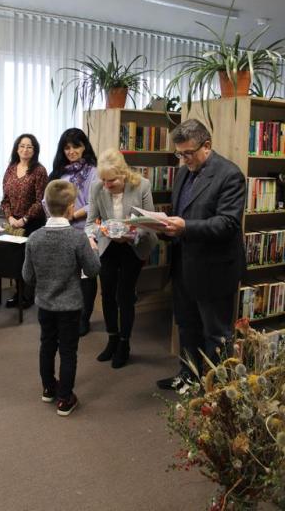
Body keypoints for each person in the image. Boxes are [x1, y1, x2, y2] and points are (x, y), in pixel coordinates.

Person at [154, 119, 246, 390]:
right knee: (186, 325)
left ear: (207, 145)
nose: (184, 160)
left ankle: (217, 392)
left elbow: (227, 224)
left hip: (214, 269)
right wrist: (162, 226)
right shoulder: (184, 172)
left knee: (216, 334)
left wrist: (185, 227)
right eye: (179, 154)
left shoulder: (230, 175)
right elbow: (181, 212)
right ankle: (188, 376)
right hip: (184, 265)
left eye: (188, 153)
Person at [22, 180, 100, 416]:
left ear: (46, 206)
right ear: (70, 207)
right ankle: (65, 398)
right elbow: (93, 270)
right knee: (68, 351)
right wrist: (94, 248)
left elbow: (27, 276)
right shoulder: (77, 238)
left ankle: (48, 388)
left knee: (47, 345)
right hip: (70, 306)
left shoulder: (34, 238)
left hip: (45, 305)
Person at [86, 148, 157, 369]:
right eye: (104, 180)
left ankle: (124, 343)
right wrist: (95, 234)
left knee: (124, 295)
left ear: (123, 173)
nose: (106, 185)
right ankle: (112, 339)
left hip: (133, 245)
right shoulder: (97, 187)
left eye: (112, 181)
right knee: (107, 293)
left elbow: (150, 222)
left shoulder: (142, 185)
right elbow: (91, 222)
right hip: (108, 244)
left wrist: (131, 234)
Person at [48, 128, 98, 336]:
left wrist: (72, 215)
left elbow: (94, 203)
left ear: (84, 147)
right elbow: (47, 199)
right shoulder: (59, 172)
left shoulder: (93, 172)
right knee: (67, 276)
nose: (71, 151)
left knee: (86, 277)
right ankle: (68, 314)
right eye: (67, 147)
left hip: (84, 230)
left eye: (76, 146)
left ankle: (84, 318)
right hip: (61, 230)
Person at [1, 133, 48, 308]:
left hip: (33, 223)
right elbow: (5, 199)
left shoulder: (39, 170)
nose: (25, 149)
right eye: (22, 146)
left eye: (29, 146)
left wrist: (24, 219)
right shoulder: (11, 168)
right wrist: (10, 217)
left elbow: (40, 201)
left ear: (34, 150)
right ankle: (18, 293)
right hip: (13, 224)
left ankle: (28, 296)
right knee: (16, 261)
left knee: (29, 261)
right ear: (17, 148)